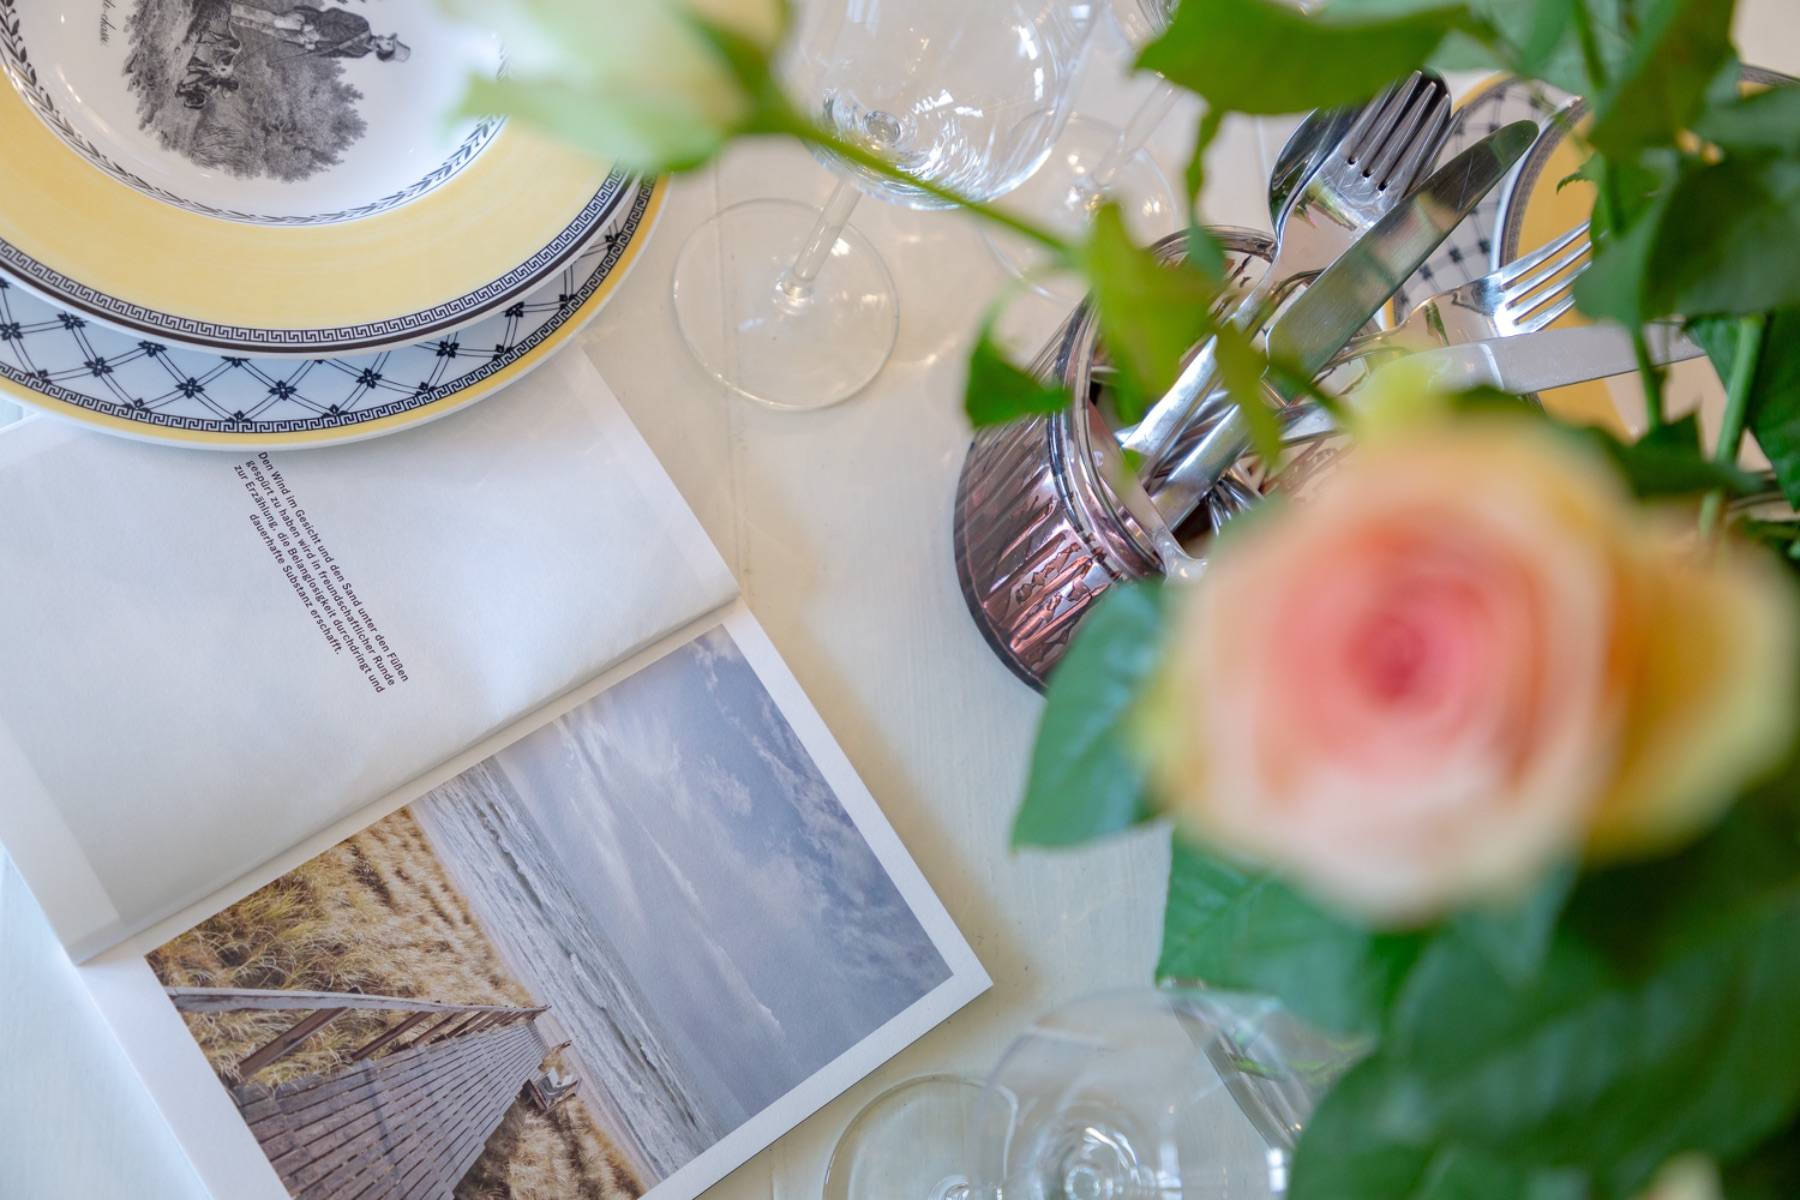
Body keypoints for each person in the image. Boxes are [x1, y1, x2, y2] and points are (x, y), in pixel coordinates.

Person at [227, 4, 410, 61]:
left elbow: (334, 53)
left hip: (305, 40)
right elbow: (334, 14)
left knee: (265, 29)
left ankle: (230, 18)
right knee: (273, 20)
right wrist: (314, 27)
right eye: (389, 40)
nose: (386, 39)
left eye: (388, 44)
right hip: (306, 22)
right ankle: (230, 8)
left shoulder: (360, 52)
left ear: (383, 51)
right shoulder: (363, 26)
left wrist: (313, 48)